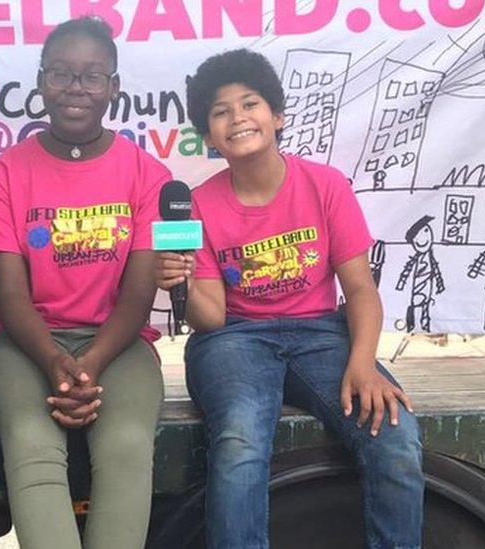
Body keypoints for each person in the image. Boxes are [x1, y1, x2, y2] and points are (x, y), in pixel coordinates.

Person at [156, 49, 425, 549]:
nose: (237, 117)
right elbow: (211, 318)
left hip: (321, 333)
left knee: (396, 438)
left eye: (250, 103)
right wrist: (180, 283)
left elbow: (361, 289)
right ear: (209, 135)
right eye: (220, 111)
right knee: (240, 443)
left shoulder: (324, 185)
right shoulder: (198, 205)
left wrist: (363, 363)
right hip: (235, 339)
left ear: (276, 116)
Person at [0, 16, 170, 549]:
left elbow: (137, 298)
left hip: (120, 344)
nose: (75, 89)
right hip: (24, 345)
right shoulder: (4, 173)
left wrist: (89, 364)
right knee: (31, 441)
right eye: (61, 73)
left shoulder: (146, 174)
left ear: (114, 87)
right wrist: (57, 365)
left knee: (128, 444)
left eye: (91, 76)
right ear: (41, 81)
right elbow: (11, 296)